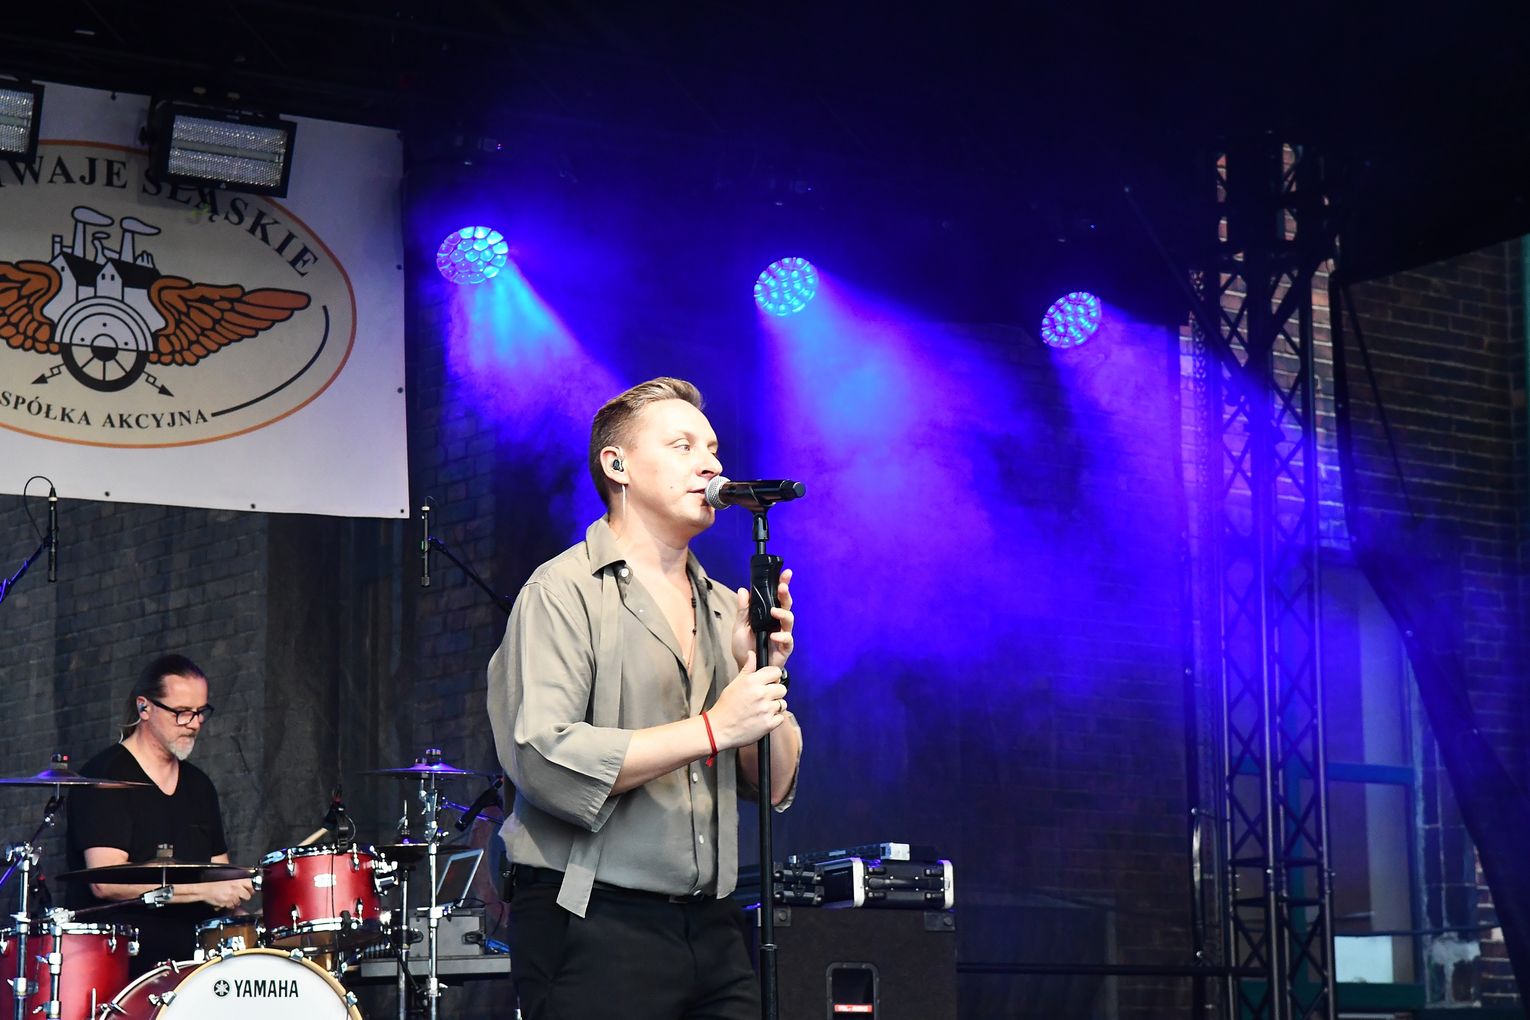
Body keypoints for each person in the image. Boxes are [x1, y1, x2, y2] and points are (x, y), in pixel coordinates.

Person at [489, 377, 802, 1020]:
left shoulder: (725, 606)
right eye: (683, 446)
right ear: (617, 465)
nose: (710, 465)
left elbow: (771, 783)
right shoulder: (562, 590)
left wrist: (761, 668)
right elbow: (543, 756)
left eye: (713, 449)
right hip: (592, 920)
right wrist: (713, 728)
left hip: (713, 927)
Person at [66, 654, 253, 974]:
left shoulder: (199, 786)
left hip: (194, 964)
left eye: (201, 712)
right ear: (144, 707)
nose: (194, 723)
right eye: (182, 712)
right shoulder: (106, 777)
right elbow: (105, 882)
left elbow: (219, 876)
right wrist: (204, 891)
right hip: (123, 964)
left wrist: (245, 903)